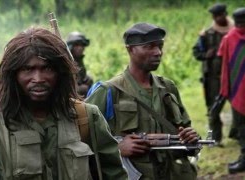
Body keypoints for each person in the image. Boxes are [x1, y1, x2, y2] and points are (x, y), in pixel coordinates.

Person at [0, 27, 128, 180]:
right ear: (13, 76)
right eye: (27, 69)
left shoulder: (86, 118)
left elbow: (115, 174)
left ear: (60, 73)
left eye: (47, 68)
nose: (38, 78)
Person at [86, 22, 199, 180]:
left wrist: (190, 138)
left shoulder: (167, 88)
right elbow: (81, 139)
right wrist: (117, 147)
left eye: (160, 46)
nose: (158, 52)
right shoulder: (108, 91)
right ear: (130, 49)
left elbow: (185, 130)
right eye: (150, 47)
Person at [192, 3, 234, 146]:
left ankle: (240, 137)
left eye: (220, 15)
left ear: (225, 14)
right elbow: (196, 52)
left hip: (234, 77)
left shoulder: (235, 31)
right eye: (215, 16)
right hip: (214, 79)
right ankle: (216, 139)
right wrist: (206, 55)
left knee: (240, 108)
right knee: (214, 109)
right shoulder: (207, 34)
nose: (217, 18)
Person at [216, 7, 245, 174]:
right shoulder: (229, 38)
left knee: (242, 126)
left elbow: (225, 67)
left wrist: (225, 89)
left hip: (237, 91)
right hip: (238, 91)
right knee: (241, 126)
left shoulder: (229, 37)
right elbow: (226, 65)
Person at [66, 31, 93, 97]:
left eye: (82, 45)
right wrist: (81, 89)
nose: (80, 48)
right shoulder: (66, 61)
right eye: (77, 45)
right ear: (71, 47)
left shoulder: (79, 60)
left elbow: (81, 76)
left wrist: (87, 79)